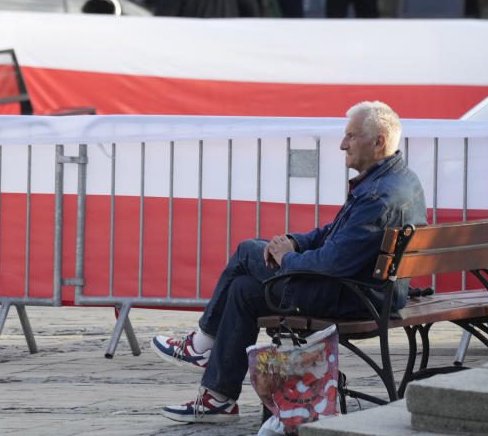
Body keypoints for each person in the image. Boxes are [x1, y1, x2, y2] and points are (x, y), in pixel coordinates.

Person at [151, 101, 426, 424]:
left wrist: (287, 258)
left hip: (355, 298)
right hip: (370, 291)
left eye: (351, 136)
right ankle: (218, 399)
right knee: (243, 289)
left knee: (246, 251)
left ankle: (201, 345)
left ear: (379, 142)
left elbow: (333, 261)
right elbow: (333, 235)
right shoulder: (397, 179)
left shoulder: (378, 195)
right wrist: (297, 241)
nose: (342, 144)